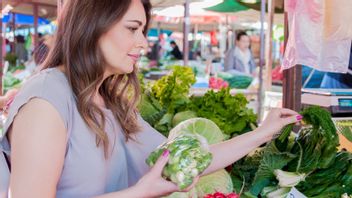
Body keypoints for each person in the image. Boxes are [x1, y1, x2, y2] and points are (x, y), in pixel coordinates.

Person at [0, 0, 301, 197]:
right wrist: (140, 192)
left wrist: (263, 132)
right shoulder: (45, 103)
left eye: (143, 30)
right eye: (133, 29)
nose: (143, 43)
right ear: (92, 26)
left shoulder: (109, 99)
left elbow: (184, 160)